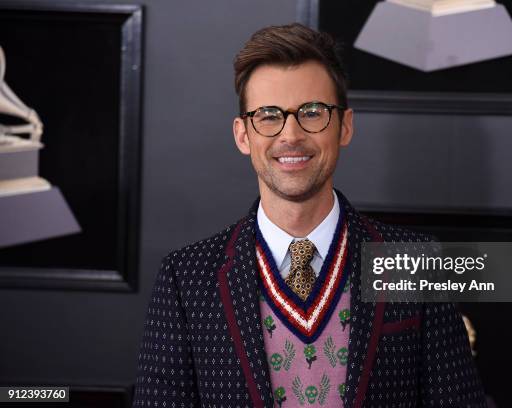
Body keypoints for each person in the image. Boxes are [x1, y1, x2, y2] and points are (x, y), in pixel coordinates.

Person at [133, 23, 486, 408]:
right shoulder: (186, 280)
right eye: (268, 115)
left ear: (345, 126)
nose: (291, 135)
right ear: (242, 135)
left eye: (312, 112)